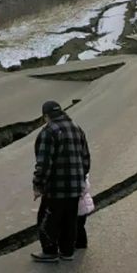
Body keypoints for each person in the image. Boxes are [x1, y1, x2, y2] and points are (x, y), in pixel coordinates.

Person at [31, 101, 91, 263]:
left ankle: (49, 252)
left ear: (46, 116)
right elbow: (86, 159)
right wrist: (80, 179)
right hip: (75, 187)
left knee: (47, 219)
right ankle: (67, 252)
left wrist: (38, 185)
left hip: (56, 188)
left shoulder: (49, 131)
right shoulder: (77, 128)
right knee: (70, 220)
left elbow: (44, 163)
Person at [76, 173, 95, 249]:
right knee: (79, 225)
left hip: (80, 204)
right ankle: (80, 243)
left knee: (78, 226)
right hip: (82, 204)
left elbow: (84, 187)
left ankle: (80, 243)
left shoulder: (80, 172)